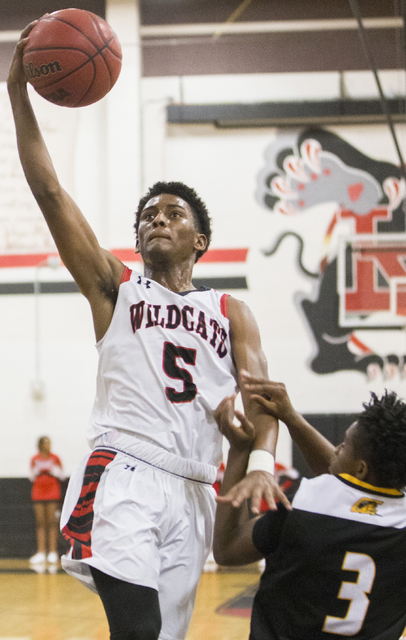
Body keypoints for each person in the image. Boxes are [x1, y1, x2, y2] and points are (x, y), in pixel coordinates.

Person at [8, 22, 289, 640]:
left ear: (201, 240)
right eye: (147, 215)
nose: (158, 219)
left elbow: (263, 397)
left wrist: (264, 461)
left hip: (196, 489)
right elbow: (50, 192)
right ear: (137, 239)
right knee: (135, 630)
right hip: (124, 471)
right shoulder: (117, 288)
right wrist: (18, 95)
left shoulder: (231, 311)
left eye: (174, 213)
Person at [213, 372, 406, 640]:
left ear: (361, 468)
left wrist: (239, 450)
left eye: (344, 445)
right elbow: (348, 483)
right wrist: (292, 418)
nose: (336, 449)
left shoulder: (306, 502)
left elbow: (227, 549)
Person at [29, 436, 63, 566]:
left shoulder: (55, 458)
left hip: (52, 492)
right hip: (38, 492)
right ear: (40, 445)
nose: (48, 446)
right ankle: (41, 552)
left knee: (52, 522)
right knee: (41, 522)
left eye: (49, 443)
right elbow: (31, 476)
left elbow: (62, 475)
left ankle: (53, 552)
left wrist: (54, 471)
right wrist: (37, 471)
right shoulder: (34, 459)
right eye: (46, 443)